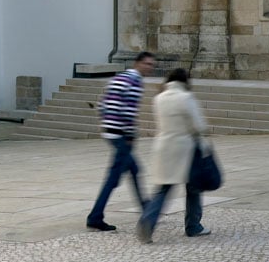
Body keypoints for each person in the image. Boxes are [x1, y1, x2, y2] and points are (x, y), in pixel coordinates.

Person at [136, 68, 210, 242]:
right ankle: (193, 225)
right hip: (185, 149)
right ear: (185, 81)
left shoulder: (159, 98)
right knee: (194, 189)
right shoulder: (186, 98)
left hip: (163, 147)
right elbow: (198, 126)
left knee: (163, 189)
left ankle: (147, 221)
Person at [85, 51, 155, 231]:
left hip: (110, 132)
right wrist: (130, 135)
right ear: (137, 63)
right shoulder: (135, 82)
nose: (149, 68)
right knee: (113, 179)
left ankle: (146, 208)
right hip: (121, 135)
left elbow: (102, 104)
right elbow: (128, 110)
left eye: (151, 65)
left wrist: (106, 124)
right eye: (147, 64)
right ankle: (95, 216)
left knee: (134, 169)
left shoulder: (118, 78)